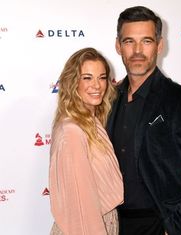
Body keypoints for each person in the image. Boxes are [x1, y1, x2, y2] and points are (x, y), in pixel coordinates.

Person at [107, 6, 181, 235]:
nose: (137, 50)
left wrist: (175, 227)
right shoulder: (109, 99)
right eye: (129, 41)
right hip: (119, 225)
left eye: (146, 41)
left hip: (162, 225)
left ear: (160, 45)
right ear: (118, 46)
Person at [49, 47, 123, 235]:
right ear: (73, 82)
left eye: (102, 77)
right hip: (88, 227)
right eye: (87, 77)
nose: (97, 85)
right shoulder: (72, 131)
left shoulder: (91, 122)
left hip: (102, 221)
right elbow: (80, 204)